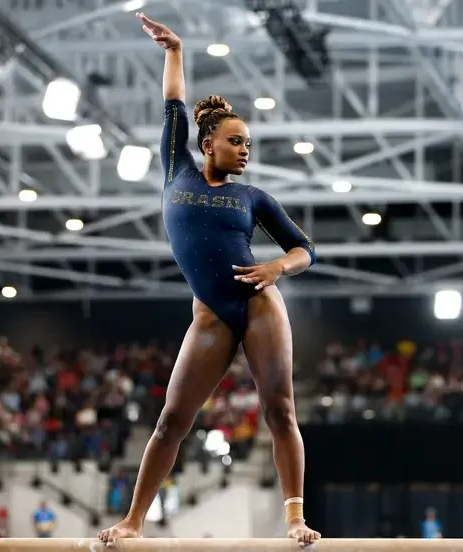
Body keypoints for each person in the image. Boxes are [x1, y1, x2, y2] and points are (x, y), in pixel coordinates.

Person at [97, 12, 319, 547]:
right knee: (171, 421)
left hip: (260, 304)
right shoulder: (177, 170)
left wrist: (276, 267)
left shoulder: (253, 198)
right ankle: (132, 522)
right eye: (237, 140)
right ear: (208, 142)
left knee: (279, 409)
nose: (246, 149)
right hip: (210, 314)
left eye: (249, 144)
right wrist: (175, 50)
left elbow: (304, 249)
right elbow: (173, 103)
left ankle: (294, 518)